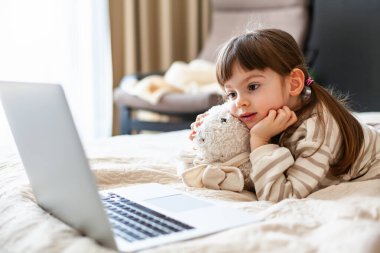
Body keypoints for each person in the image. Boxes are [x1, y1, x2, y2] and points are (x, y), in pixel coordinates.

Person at [189, 28, 380, 202]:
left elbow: (282, 195)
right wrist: (205, 135)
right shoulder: (261, 109)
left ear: (294, 83)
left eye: (252, 86)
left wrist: (260, 141)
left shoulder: (316, 132)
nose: (239, 102)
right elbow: (222, 147)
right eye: (231, 94)